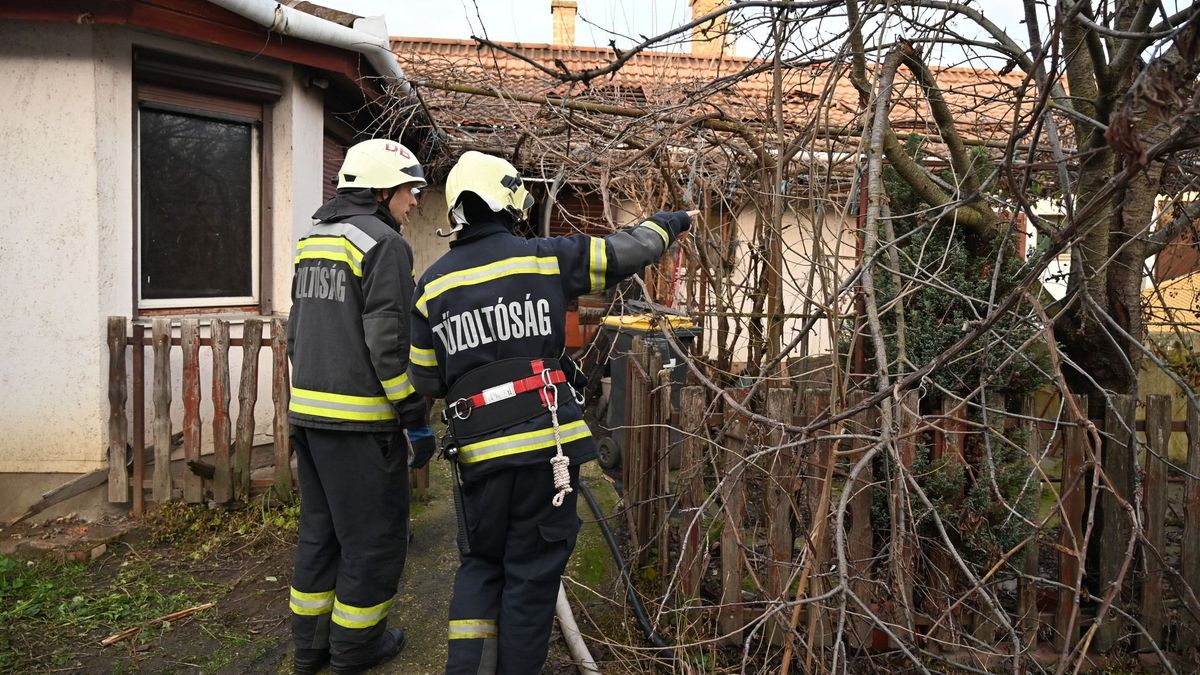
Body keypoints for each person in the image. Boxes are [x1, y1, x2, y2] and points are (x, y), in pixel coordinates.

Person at [408, 150, 694, 674]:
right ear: (511, 201)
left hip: (479, 460)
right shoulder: (547, 257)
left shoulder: (432, 285)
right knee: (532, 575)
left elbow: (424, 378)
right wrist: (668, 223)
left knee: (480, 566)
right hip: (549, 456)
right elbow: (629, 251)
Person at [286, 138, 438, 675]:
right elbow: (388, 345)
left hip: (308, 418)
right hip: (360, 426)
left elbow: (295, 332)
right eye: (409, 190)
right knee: (373, 543)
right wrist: (414, 420)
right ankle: (356, 650)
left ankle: (311, 651)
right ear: (382, 189)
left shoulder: (314, 238)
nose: (414, 202)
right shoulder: (384, 244)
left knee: (321, 535)